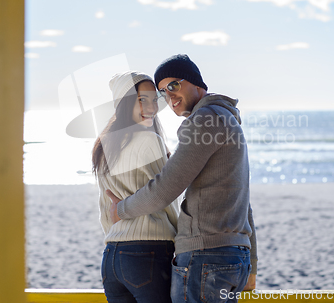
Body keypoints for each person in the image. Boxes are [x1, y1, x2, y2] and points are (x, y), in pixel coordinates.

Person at [106, 55, 258, 303]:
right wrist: (252, 264)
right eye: (163, 92)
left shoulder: (203, 121)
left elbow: (166, 188)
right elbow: (244, 200)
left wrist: (120, 210)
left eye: (174, 85)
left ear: (196, 83)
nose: (169, 96)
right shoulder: (229, 120)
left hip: (205, 258)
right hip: (234, 259)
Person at [92, 71, 180, 303]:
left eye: (154, 100)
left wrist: (116, 236)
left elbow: (105, 207)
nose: (152, 108)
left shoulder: (103, 144)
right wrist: (178, 237)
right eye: (143, 100)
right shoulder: (150, 140)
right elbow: (165, 197)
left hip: (112, 257)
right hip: (148, 252)